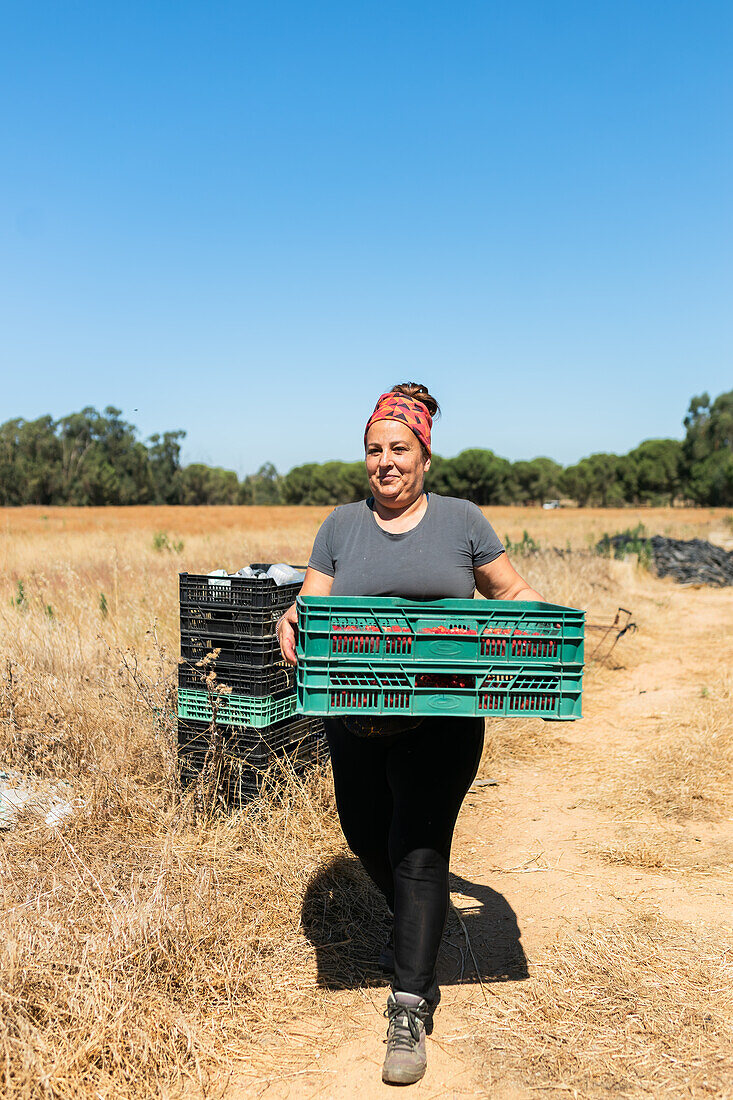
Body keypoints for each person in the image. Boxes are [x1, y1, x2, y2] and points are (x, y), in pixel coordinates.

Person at [277, 382, 544, 1086]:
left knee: (418, 851)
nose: (384, 462)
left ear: (425, 455)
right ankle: (417, 926)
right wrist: (290, 622)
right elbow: (312, 603)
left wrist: (528, 624)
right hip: (354, 713)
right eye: (373, 450)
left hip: (443, 716)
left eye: (399, 449)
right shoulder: (340, 526)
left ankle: (409, 1000)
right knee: (366, 834)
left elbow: (510, 593)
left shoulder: (460, 521)